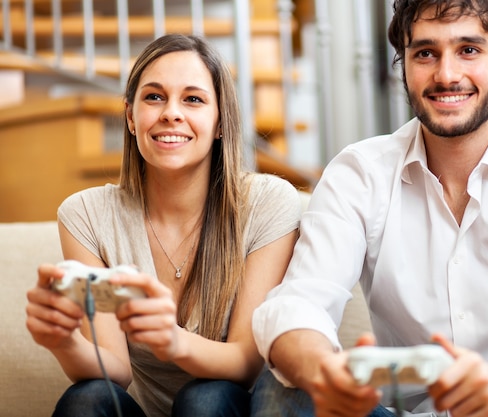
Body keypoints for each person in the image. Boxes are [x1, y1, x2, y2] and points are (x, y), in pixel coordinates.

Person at [250, 0, 488, 416]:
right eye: (425, 53)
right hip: (404, 411)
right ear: (404, 65)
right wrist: (325, 372)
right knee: (286, 383)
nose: (446, 75)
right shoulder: (359, 173)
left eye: (468, 50)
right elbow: (297, 305)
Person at [25, 34, 301, 417]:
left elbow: (245, 362)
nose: (171, 113)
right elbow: (114, 371)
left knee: (205, 398)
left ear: (220, 122)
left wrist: (173, 341)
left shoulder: (267, 202)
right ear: (130, 117)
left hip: (232, 408)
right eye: (154, 97)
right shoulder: (86, 214)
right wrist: (61, 340)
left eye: (193, 99)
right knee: (87, 398)